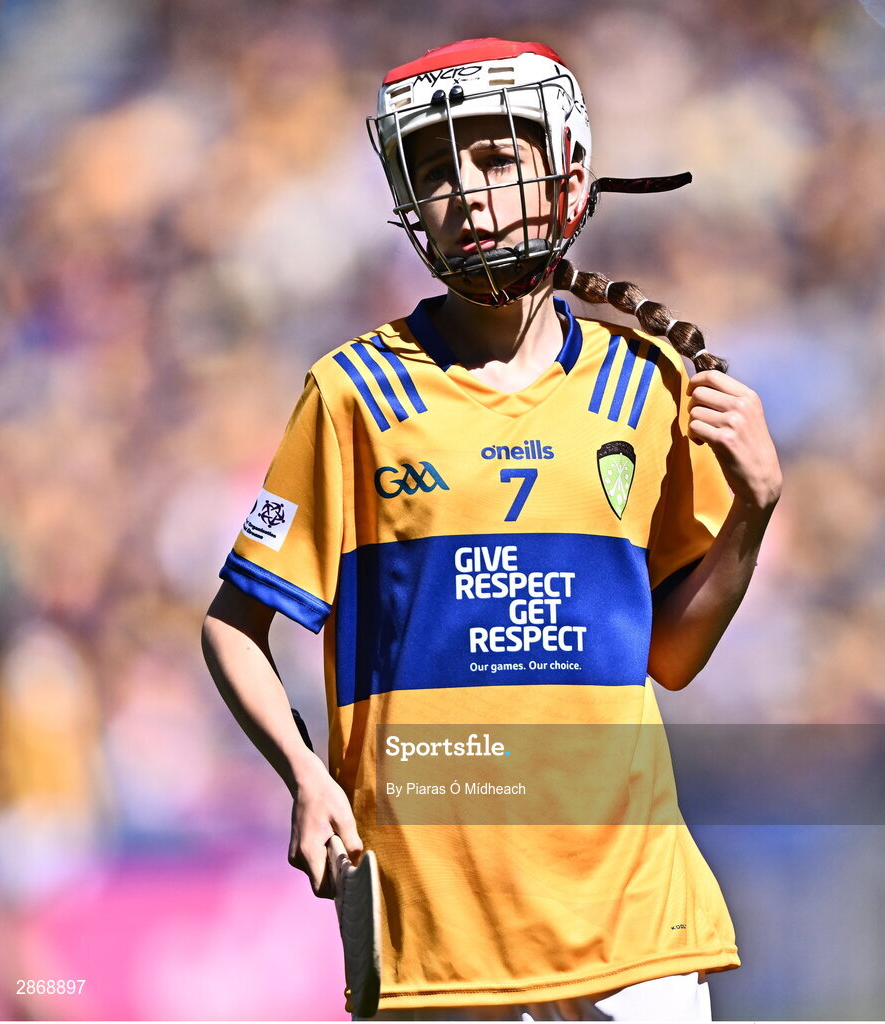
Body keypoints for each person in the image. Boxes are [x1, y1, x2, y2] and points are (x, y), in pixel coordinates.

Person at [202, 38, 782, 1022]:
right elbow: (232, 624)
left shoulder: (645, 387)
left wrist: (753, 514)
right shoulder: (353, 394)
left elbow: (670, 657)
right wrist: (304, 776)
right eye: (434, 171)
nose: (464, 193)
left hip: (634, 925)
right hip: (441, 940)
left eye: (494, 160)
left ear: (566, 174)